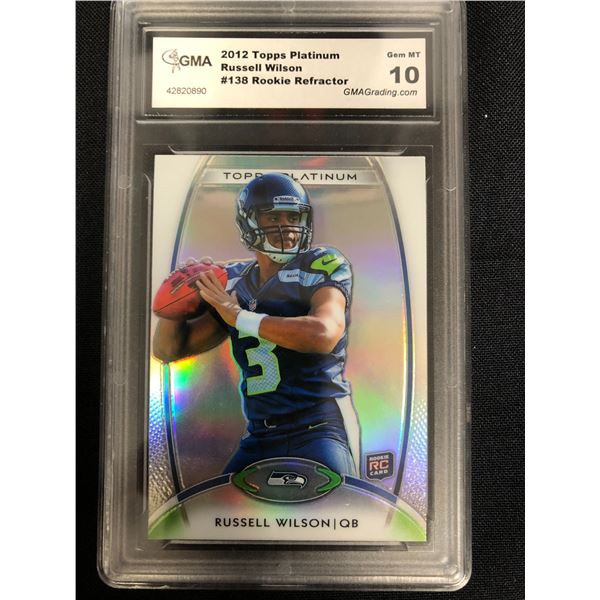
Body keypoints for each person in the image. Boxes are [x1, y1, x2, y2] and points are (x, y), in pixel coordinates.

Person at [153, 172, 359, 475]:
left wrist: (238, 316)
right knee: (216, 504)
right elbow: (169, 350)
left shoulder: (321, 263)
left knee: (337, 502)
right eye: (274, 217)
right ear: (248, 222)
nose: (288, 228)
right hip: (260, 434)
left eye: (294, 217)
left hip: (320, 428)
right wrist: (175, 303)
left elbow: (323, 334)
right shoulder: (234, 281)